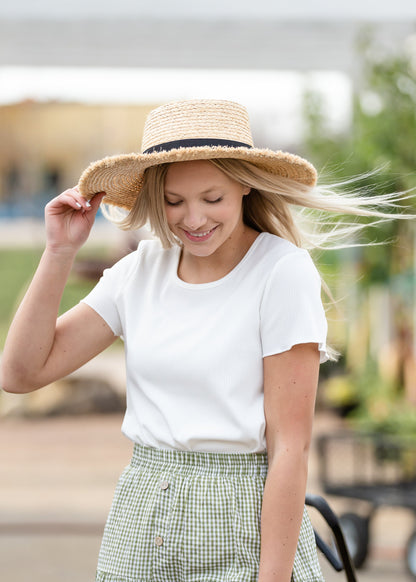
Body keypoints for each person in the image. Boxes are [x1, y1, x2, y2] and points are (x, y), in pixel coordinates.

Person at [1, 99, 409, 582]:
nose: (193, 219)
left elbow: (289, 448)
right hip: (141, 518)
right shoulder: (139, 272)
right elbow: (20, 374)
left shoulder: (281, 272)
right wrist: (60, 250)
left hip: (245, 522)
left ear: (244, 185)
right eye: (174, 201)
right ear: (156, 197)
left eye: (211, 199)